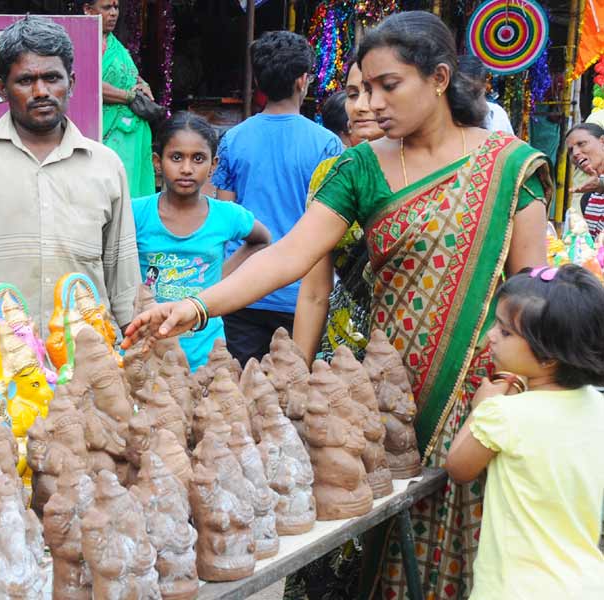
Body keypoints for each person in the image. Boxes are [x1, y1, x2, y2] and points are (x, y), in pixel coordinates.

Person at [123, 11, 551, 599]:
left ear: (440, 78)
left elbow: (531, 291)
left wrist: (508, 391)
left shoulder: (510, 166)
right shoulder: (360, 167)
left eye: (388, 85)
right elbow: (289, 255)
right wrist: (195, 307)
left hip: (482, 393)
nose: (371, 102)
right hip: (383, 390)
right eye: (364, 87)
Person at [0, 16, 140, 333]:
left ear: (72, 83)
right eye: (25, 81)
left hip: (88, 361)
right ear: (2, 88)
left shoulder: (106, 166)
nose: (41, 91)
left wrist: (133, 340)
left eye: (52, 78)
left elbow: (123, 277)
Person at [445, 265, 604, 599]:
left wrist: (481, 408)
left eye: (504, 332)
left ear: (548, 357)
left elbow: (458, 466)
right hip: (587, 582)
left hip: (514, 589)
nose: (490, 335)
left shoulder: (505, 415)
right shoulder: (597, 406)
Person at [211, 31, 343, 365]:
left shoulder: (233, 140)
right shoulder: (327, 145)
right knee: (291, 396)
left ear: (259, 81)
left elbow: (227, 218)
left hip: (242, 289)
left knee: (239, 394)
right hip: (300, 295)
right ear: (303, 80)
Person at [133, 112, 270, 369]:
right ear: (157, 162)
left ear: (214, 165)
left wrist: (220, 279)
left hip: (205, 353)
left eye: (198, 159)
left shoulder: (227, 215)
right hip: (148, 351)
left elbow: (262, 240)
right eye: (176, 157)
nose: (186, 168)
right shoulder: (136, 214)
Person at [294, 61, 386, 364]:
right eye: (352, 93)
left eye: (374, 91)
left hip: (415, 354)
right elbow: (314, 291)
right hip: (342, 356)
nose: (360, 106)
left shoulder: (441, 173)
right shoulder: (331, 174)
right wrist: (298, 373)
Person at [81, 0, 156, 197]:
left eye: (116, 7)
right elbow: (88, 84)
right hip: (108, 131)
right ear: (88, 10)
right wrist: (130, 97)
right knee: (112, 191)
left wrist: (143, 84)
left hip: (132, 132)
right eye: (107, 8)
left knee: (133, 195)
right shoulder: (84, 42)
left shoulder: (114, 43)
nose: (114, 13)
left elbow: (127, 74)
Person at [565, 123, 604, 239]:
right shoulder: (588, 199)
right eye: (571, 150)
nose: (575, 153)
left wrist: (600, 185)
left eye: (581, 144)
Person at [457, 55, 513, 134]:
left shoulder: (498, 113)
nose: (468, 90)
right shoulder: (451, 119)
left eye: (475, 92)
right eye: (463, 85)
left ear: (485, 84)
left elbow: (511, 144)